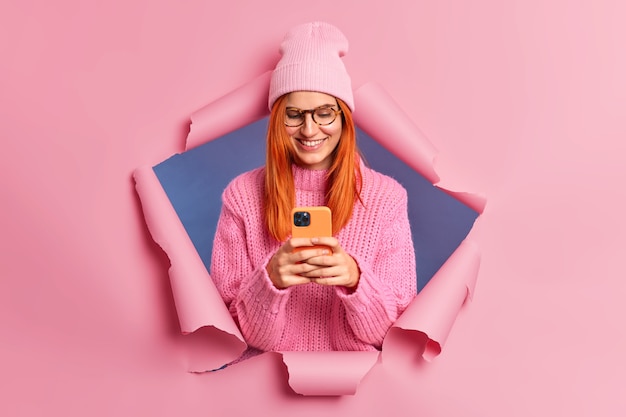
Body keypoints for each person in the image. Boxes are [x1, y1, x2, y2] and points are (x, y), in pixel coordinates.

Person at [210, 22, 416, 353]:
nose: (309, 130)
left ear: (344, 118)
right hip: (266, 389)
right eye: (294, 114)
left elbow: (393, 338)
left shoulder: (387, 199)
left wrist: (355, 280)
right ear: (278, 119)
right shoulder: (243, 196)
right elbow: (233, 339)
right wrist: (269, 282)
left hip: (355, 390)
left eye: (324, 113)